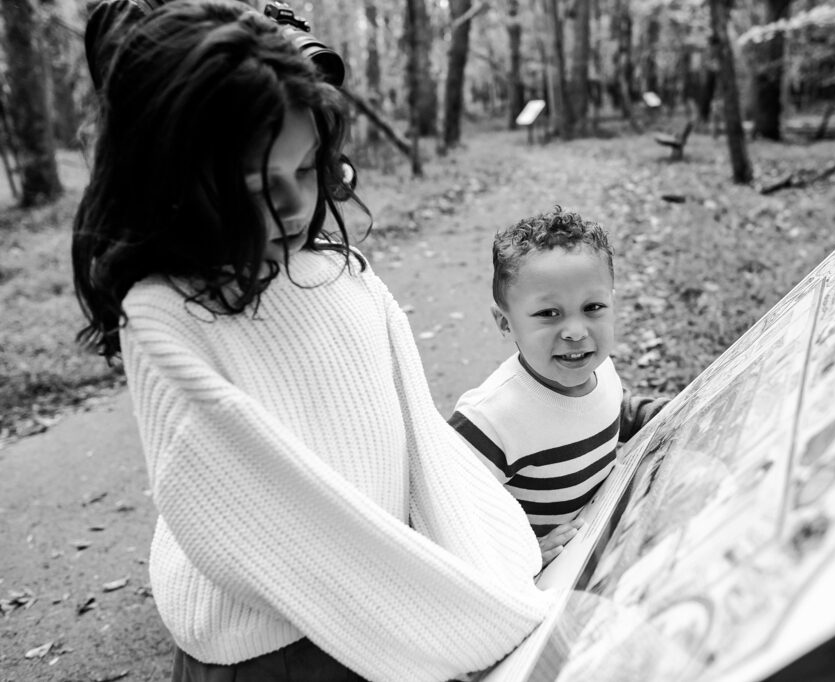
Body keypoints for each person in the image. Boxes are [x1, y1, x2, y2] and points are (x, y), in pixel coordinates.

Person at [71, 2, 552, 680]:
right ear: (176, 182)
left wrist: (487, 564)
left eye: (306, 170)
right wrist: (461, 619)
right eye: (258, 185)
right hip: (279, 647)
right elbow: (260, 522)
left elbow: (417, 440)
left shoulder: (338, 273)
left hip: (389, 601)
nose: (297, 205)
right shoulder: (166, 316)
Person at [448, 207, 669, 566]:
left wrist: (665, 412)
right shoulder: (490, 420)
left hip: (601, 546)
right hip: (541, 582)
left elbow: (615, 411)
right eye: (549, 314)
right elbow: (443, 510)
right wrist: (520, 556)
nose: (576, 332)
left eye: (593, 307)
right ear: (506, 324)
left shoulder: (602, 369)